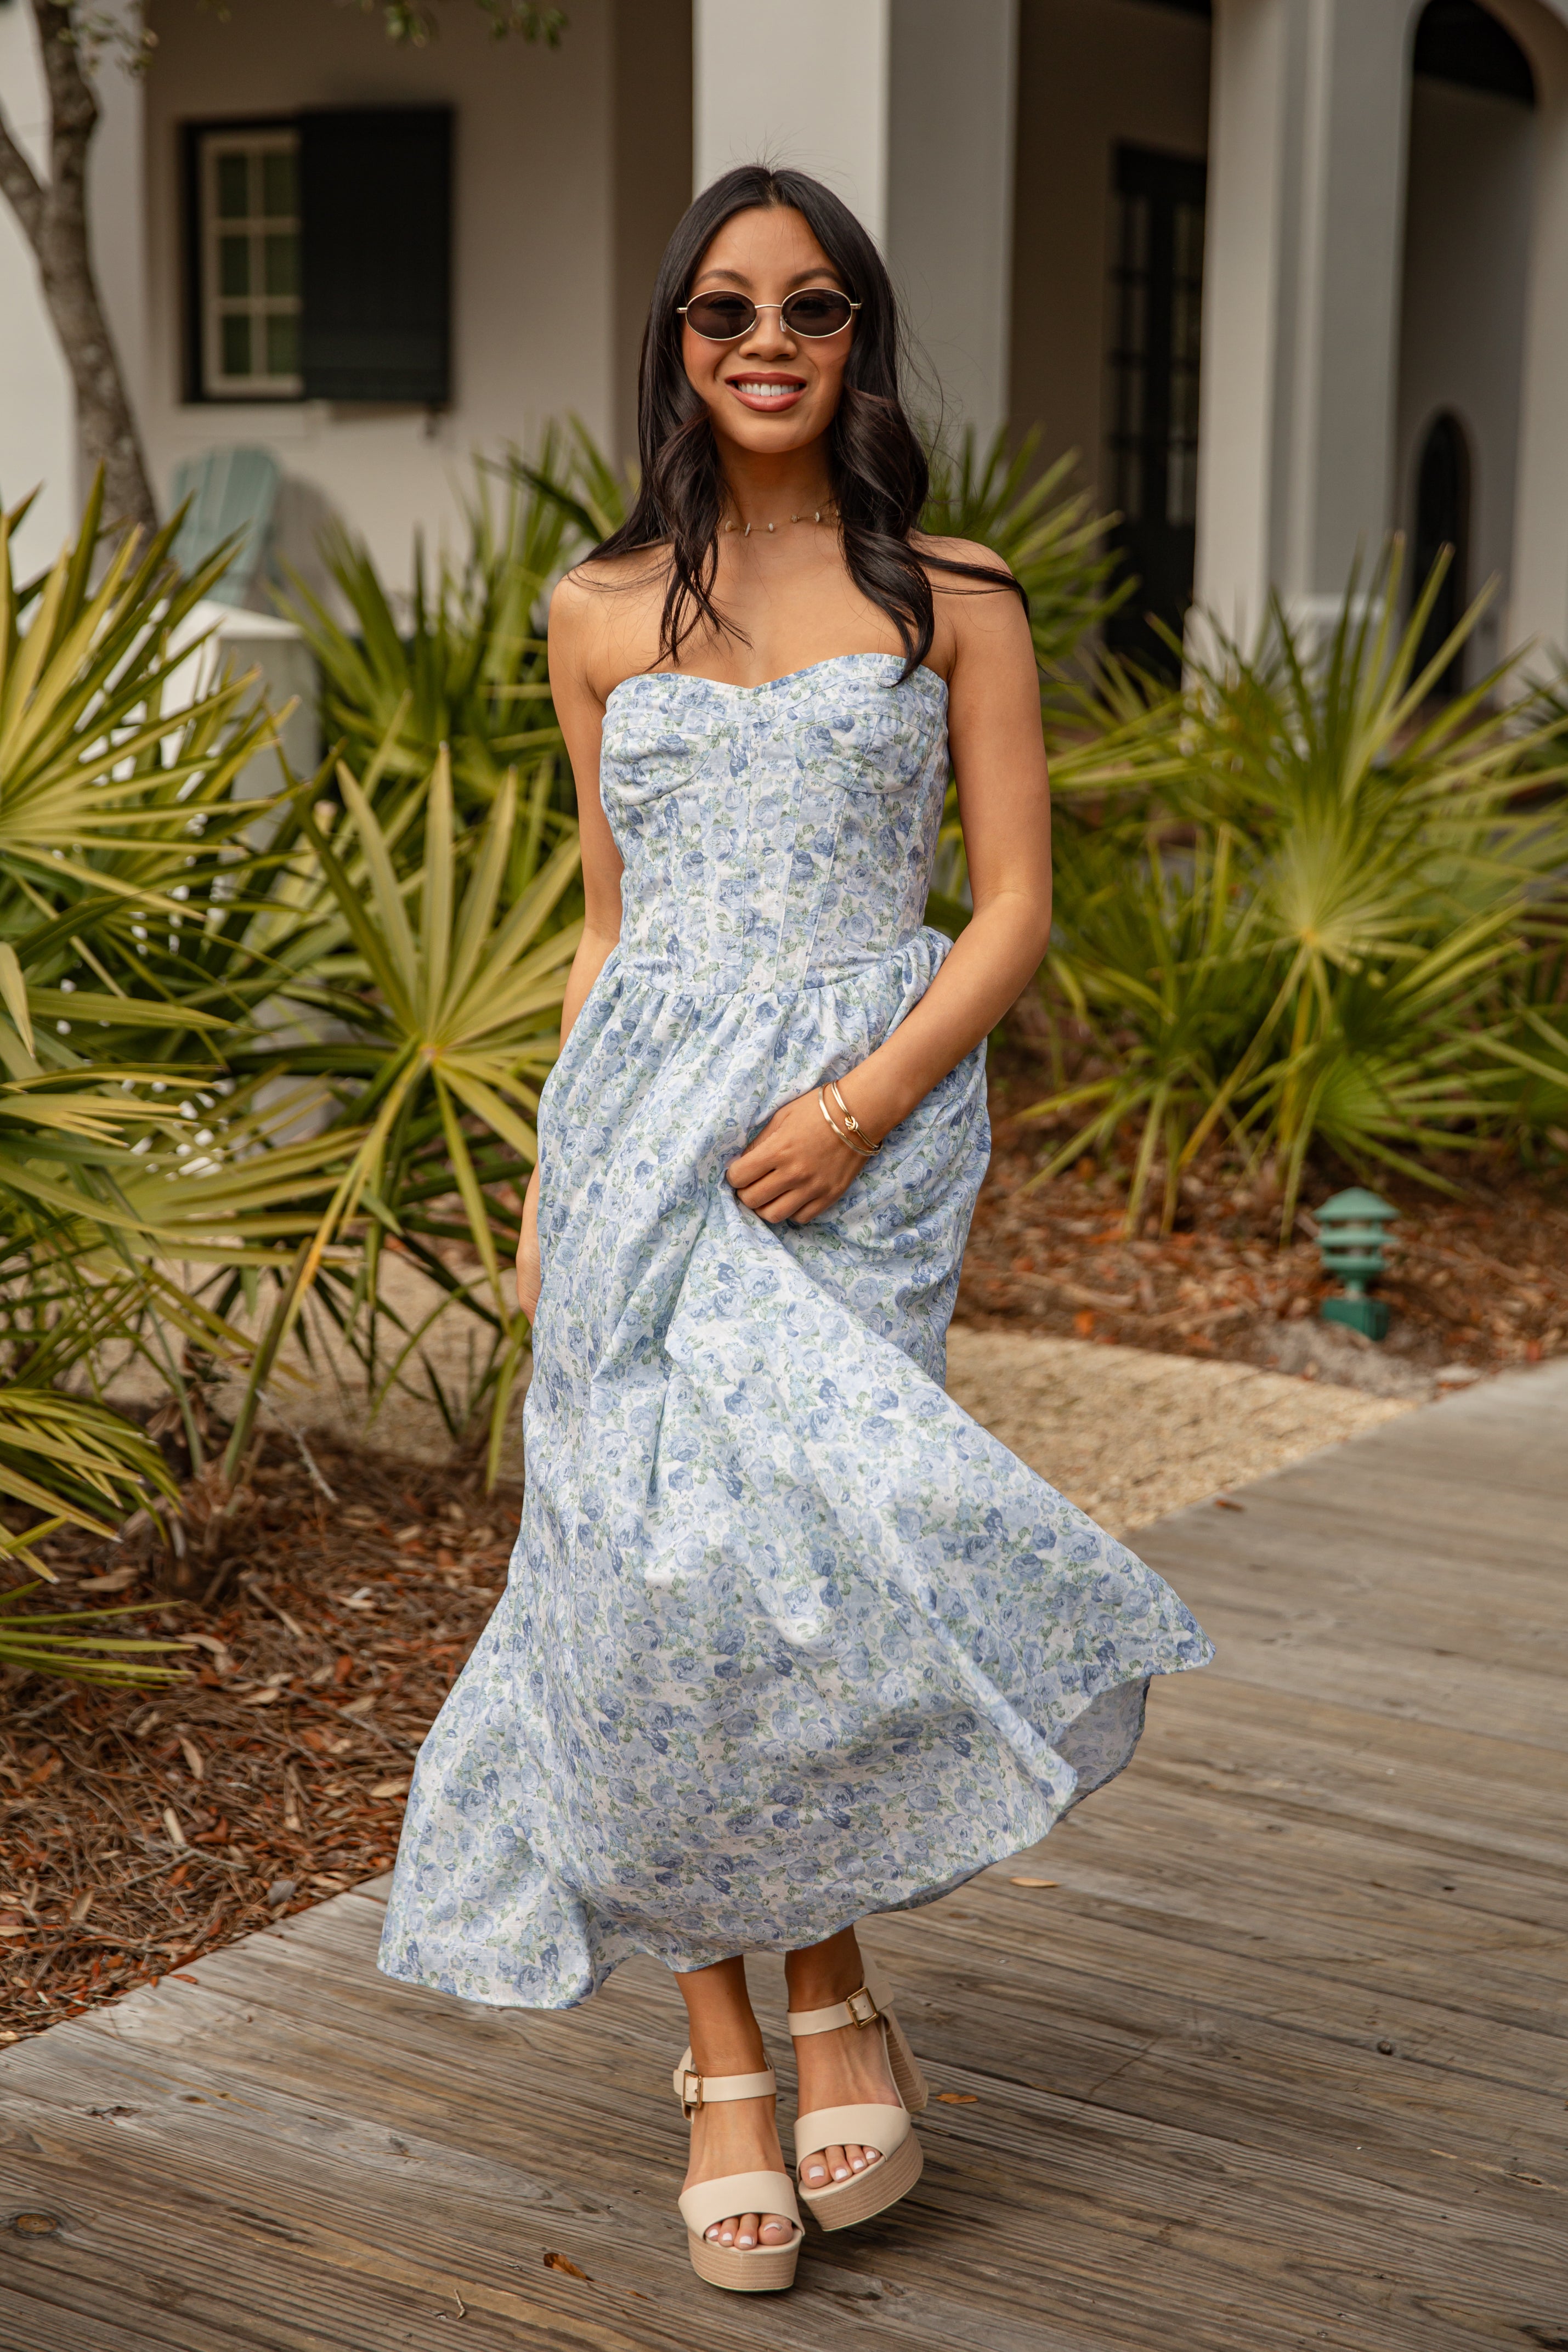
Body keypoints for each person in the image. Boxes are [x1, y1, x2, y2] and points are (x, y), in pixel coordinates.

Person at [380, 162, 1211, 2296]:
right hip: (637, 1132)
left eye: (813, 306)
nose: (768, 337)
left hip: (869, 1129)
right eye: (726, 306)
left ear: (858, 340)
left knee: (802, 1573)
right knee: (636, 1591)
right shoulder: (592, 610)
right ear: (673, 338)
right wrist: (553, 1192)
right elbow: (600, 927)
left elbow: (1011, 912)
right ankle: (733, 2040)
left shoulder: (958, 595)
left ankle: (824, 1989)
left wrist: (854, 1111)